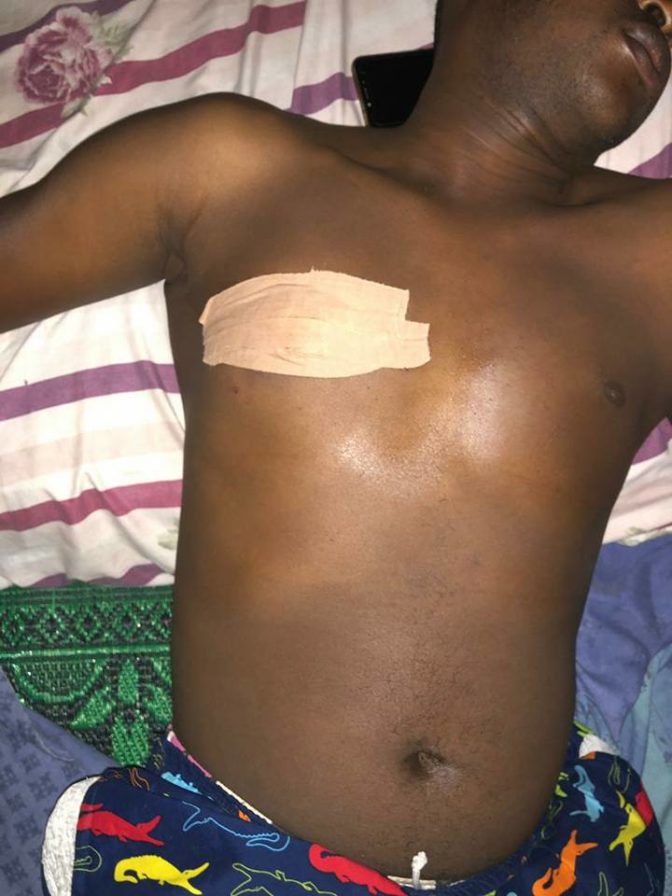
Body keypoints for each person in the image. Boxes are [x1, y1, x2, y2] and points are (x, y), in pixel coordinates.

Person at [2, 0, 671, 893]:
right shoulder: (232, 166)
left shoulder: (655, 252)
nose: (660, 16)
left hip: (562, 861)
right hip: (228, 858)